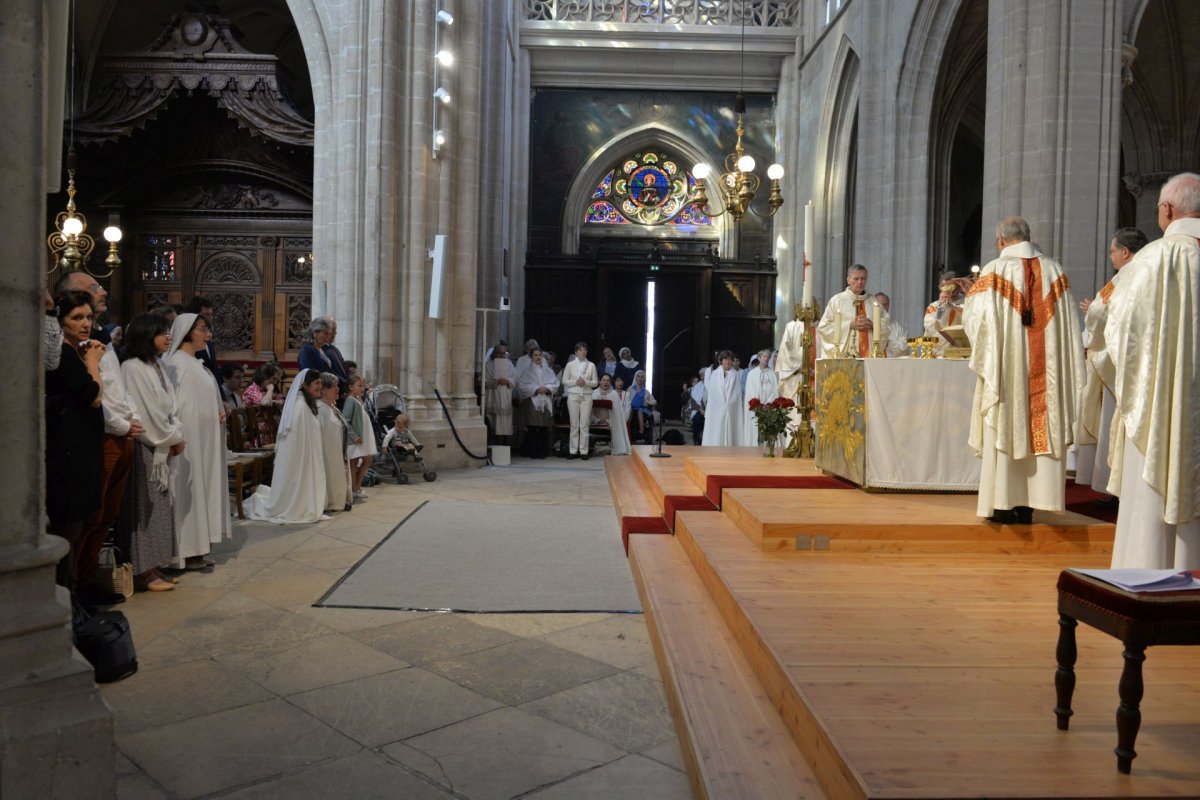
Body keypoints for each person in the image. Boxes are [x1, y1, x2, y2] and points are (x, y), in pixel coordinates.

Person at [1094, 173, 1200, 569]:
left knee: (1155, 484)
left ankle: (1150, 576)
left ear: (1167, 210)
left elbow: (1119, 328)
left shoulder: (1152, 259)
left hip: (1163, 407)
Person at [963, 216, 1083, 524]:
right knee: (1040, 422)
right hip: (1047, 373)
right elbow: (1070, 327)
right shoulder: (1055, 271)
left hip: (1008, 375)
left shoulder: (994, 271)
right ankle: (1031, 503)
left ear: (1002, 240)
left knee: (1008, 420)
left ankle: (1003, 502)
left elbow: (976, 322)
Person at [59, 275, 145, 605]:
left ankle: (88, 576)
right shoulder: (76, 348)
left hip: (122, 432)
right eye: (95, 289)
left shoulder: (100, 339)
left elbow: (118, 387)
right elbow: (96, 396)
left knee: (106, 516)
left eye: (88, 317)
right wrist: (122, 426)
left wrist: (131, 418)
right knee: (90, 517)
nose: (104, 291)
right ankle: (76, 585)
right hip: (105, 436)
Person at [1075, 227, 1148, 493]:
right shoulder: (1148, 271)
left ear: (1125, 252)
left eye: (1112, 251)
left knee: (1112, 423)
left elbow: (1100, 312)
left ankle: (1110, 483)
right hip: (1143, 358)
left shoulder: (1122, 278)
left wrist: (1091, 318)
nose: (1111, 257)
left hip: (1115, 361)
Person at [45, 291, 106, 592]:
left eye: (89, 317)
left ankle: (73, 597)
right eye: (76, 317)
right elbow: (93, 396)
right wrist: (93, 361)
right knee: (68, 530)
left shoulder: (71, 352)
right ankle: (66, 600)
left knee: (79, 526)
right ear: (59, 321)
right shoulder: (64, 355)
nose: (85, 324)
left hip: (80, 451)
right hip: (68, 453)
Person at [120, 313, 185, 593]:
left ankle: (154, 564)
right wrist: (171, 438)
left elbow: (170, 407)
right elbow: (145, 412)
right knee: (144, 510)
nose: (168, 337)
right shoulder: (133, 368)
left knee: (160, 508)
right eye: (162, 332)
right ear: (146, 336)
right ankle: (142, 569)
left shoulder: (156, 364)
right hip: (146, 446)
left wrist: (176, 434)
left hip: (162, 444)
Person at [164, 313, 229, 570]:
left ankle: (199, 547)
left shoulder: (195, 363)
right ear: (190, 332)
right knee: (188, 492)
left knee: (203, 487)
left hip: (205, 439)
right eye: (204, 329)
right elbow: (173, 403)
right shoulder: (175, 363)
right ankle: (186, 549)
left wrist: (218, 410)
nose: (209, 334)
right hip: (188, 441)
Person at [245, 369, 328, 524]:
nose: (320, 387)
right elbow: (297, 441)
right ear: (305, 385)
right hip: (298, 458)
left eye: (321, 383)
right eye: (317, 383)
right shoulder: (300, 406)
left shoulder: (303, 403)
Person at [816, 265, 890, 358]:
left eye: (863, 278)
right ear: (848, 280)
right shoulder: (837, 301)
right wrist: (850, 325)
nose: (860, 282)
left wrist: (873, 325)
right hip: (845, 358)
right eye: (856, 278)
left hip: (870, 356)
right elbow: (824, 328)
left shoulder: (874, 302)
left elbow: (887, 326)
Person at [317, 372, 352, 511]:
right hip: (328, 454)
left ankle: (339, 499)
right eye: (333, 386)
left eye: (337, 386)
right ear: (323, 390)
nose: (338, 389)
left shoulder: (331, 407)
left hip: (338, 451)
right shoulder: (320, 409)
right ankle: (332, 501)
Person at [518, 348, 559, 459]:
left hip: (545, 400)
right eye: (535, 355)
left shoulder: (548, 371)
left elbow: (555, 383)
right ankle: (533, 451)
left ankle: (542, 451)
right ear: (532, 357)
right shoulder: (527, 371)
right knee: (532, 428)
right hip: (533, 401)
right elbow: (522, 385)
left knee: (543, 428)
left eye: (539, 355)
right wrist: (536, 389)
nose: (538, 357)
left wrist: (547, 388)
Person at [342, 375, 377, 499]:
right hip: (356, 439)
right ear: (351, 387)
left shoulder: (357, 399)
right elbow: (345, 420)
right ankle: (354, 489)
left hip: (363, 437)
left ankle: (357, 486)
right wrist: (354, 436)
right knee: (353, 463)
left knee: (367, 461)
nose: (363, 388)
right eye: (360, 386)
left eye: (363, 386)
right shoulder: (350, 400)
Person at [562, 341, 598, 459]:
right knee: (574, 424)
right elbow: (564, 381)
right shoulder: (570, 364)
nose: (583, 352)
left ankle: (584, 451)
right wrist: (575, 382)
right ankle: (573, 450)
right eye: (580, 350)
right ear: (576, 352)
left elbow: (595, 383)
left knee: (584, 424)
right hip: (573, 395)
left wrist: (585, 382)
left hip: (587, 396)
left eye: (584, 350)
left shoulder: (591, 365)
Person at [701, 350, 743, 445]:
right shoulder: (715, 374)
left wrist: (729, 403)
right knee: (717, 431)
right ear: (721, 361)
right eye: (725, 359)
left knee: (730, 430)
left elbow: (737, 393)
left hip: (731, 408)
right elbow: (713, 393)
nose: (727, 362)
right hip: (717, 408)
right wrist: (720, 403)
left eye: (729, 360)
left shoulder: (735, 375)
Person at [741, 350, 780, 446]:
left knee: (769, 432)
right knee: (756, 432)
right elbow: (750, 392)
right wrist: (759, 405)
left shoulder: (773, 374)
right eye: (764, 356)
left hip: (769, 407)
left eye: (768, 356)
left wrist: (769, 404)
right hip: (757, 408)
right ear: (759, 358)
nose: (766, 358)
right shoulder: (751, 374)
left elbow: (775, 391)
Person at [484, 343, 516, 445]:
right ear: (494, 353)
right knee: (493, 422)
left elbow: (515, 378)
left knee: (504, 424)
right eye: (500, 353)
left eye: (504, 353)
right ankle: (493, 443)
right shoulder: (488, 365)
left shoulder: (509, 364)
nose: (502, 356)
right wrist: (496, 381)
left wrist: (508, 381)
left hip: (505, 396)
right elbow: (483, 381)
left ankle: (503, 443)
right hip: (493, 397)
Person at [592, 373, 631, 455]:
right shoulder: (594, 393)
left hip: (610, 420)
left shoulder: (614, 394)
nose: (606, 382)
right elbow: (590, 411)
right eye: (604, 380)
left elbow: (617, 412)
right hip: (595, 420)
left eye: (608, 380)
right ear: (599, 381)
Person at [184, 296, 219, 377]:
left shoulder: (208, 339)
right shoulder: (188, 342)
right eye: (206, 314)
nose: (210, 318)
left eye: (211, 314)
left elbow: (214, 370)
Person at [874, 292, 911, 357]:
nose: (882, 308)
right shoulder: (867, 325)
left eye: (885, 305)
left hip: (892, 364)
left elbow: (904, 347)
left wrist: (888, 343)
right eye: (879, 305)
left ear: (889, 305)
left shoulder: (898, 328)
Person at [321, 317, 350, 396]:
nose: (336, 333)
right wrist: (347, 384)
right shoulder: (320, 351)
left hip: (342, 392)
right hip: (332, 392)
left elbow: (343, 369)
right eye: (333, 329)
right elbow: (329, 372)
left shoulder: (334, 349)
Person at [627, 370, 658, 444]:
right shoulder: (630, 389)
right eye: (638, 376)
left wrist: (647, 402)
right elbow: (627, 401)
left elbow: (654, 401)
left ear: (644, 379)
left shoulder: (646, 391)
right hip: (632, 410)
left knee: (641, 412)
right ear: (635, 377)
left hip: (642, 410)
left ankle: (642, 431)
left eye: (642, 377)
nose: (640, 378)